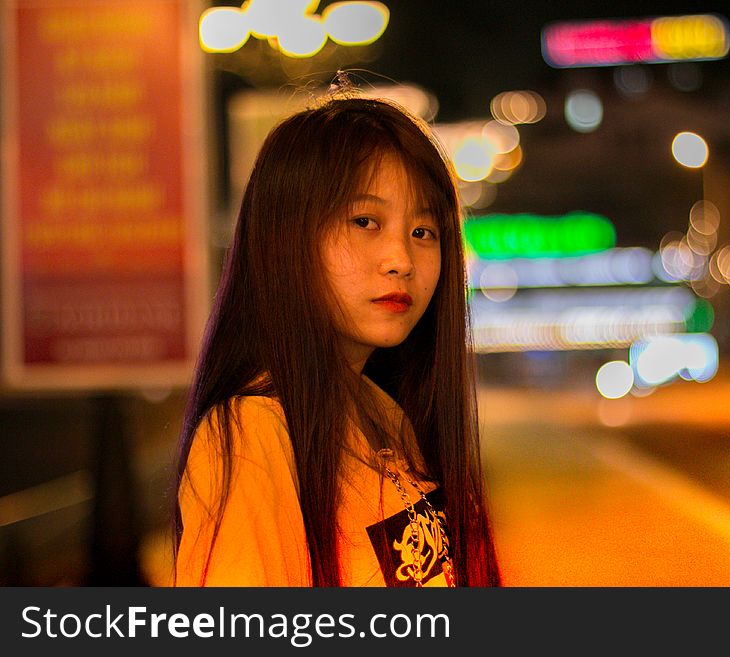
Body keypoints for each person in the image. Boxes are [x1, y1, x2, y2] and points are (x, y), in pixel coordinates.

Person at [171, 87, 502, 587]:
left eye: (423, 232)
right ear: (287, 239)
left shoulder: (383, 411)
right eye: (365, 221)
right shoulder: (253, 434)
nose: (401, 261)